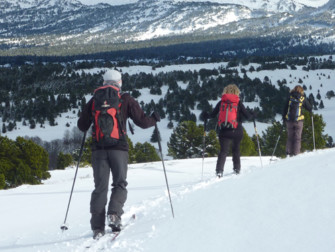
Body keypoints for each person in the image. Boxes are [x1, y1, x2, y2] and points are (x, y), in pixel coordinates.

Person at [77, 69, 160, 239]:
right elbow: (142, 122)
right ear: (119, 82)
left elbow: (82, 126)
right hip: (119, 149)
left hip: (98, 150)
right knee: (119, 184)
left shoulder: (94, 100)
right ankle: (114, 215)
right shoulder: (125, 99)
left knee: (100, 188)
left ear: (104, 82)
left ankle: (97, 227)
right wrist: (154, 119)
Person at [201, 84, 253, 177]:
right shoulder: (238, 102)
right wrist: (253, 114)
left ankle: (219, 171)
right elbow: (248, 116)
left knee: (223, 151)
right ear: (237, 92)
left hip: (224, 131)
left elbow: (212, 115)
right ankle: (237, 169)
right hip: (237, 130)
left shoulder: (221, 102)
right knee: (236, 150)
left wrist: (205, 115)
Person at [282, 85, 312, 156]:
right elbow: (309, 108)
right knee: (297, 138)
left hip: (289, 121)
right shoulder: (302, 98)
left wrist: (284, 118)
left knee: (290, 137)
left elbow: (285, 109)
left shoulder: (290, 97)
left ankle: (288, 153)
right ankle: (296, 153)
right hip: (299, 121)